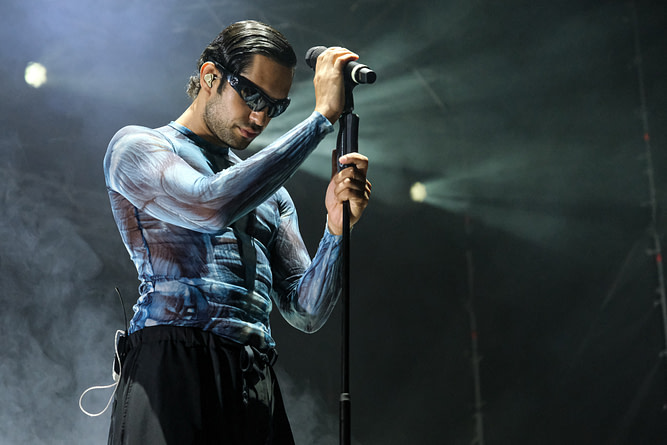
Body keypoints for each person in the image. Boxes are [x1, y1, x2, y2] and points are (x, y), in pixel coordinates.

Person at [102, 19, 371, 445]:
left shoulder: (272, 195)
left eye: (276, 106)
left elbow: (306, 311)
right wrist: (321, 119)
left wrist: (337, 232)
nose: (261, 116)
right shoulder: (139, 147)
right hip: (173, 362)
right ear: (210, 76)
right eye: (252, 94)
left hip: (253, 375)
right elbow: (209, 206)